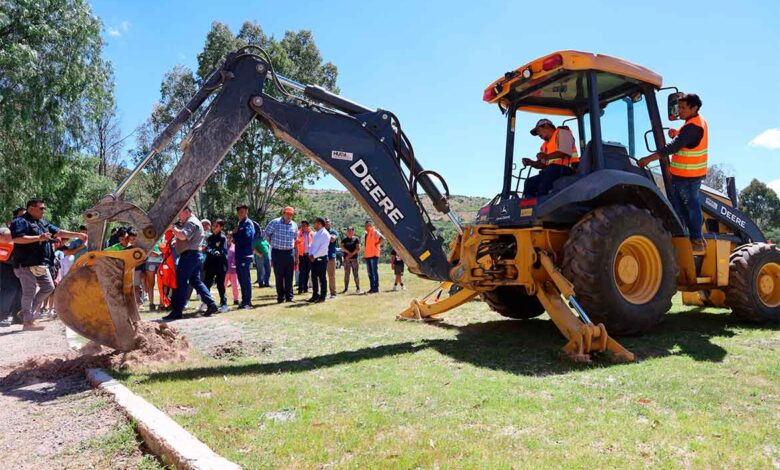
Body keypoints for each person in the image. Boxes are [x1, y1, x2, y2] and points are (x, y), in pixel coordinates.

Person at [639, 93, 708, 251]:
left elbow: (673, 147)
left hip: (689, 177)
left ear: (694, 108)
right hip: (681, 176)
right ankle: (683, 236)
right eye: (678, 107)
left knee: (691, 205)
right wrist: (676, 132)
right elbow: (686, 138)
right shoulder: (693, 122)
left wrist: (648, 159)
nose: (679, 111)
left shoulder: (693, 127)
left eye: (683, 108)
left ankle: (697, 238)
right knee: (679, 207)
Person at [10, 198, 87, 330]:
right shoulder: (20, 221)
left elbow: (58, 232)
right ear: (31, 208)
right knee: (29, 291)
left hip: (40, 264)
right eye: (41, 208)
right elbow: (17, 239)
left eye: (44, 208)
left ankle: (26, 312)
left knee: (49, 287)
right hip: (25, 264)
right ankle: (28, 322)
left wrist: (78, 235)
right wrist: (38, 238)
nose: (43, 211)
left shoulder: (42, 222)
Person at [162, 206, 218, 321]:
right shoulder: (192, 221)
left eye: (180, 214)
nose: (178, 217)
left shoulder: (191, 222)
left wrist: (173, 228)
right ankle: (211, 304)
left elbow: (183, 235)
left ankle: (177, 311)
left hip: (189, 256)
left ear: (186, 212)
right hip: (193, 255)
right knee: (195, 281)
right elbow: (185, 238)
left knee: (180, 282)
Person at [522, 119, 579, 197]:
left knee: (546, 179)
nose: (538, 134)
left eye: (538, 130)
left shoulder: (562, 132)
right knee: (529, 182)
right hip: (551, 171)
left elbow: (564, 152)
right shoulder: (544, 146)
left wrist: (546, 156)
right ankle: (529, 207)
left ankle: (541, 201)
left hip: (566, 170)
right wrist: (532, 163)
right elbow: (543, 165)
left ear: (546, 125)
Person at [265, 206, 298, 303]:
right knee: (279, 276)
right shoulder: (275, 222)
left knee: (289, 276)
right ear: (283, 213)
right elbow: (266, 234)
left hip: (289, 253)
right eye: (287, 213)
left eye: (291, 214)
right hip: (277, 252)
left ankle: (289, 297)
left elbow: (295, 238)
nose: (289, 216)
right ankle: (280, 297)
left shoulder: (294, 225)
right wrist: (270, 242)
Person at [232, 205, 256, 309]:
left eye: (243, 211)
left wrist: (236, 234)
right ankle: (244, 300)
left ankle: (247, 302)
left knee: (245, 278)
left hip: (245, 255)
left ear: (247, 212)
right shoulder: (241, 223)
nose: (241, 214)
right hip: (239, 254)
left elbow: (248, 237)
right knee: (241, 278)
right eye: (239, 212)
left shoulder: (247, 223)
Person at [204, 219, 229, 313]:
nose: (214, 227)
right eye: (213, 225)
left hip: (220, 264)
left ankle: (224, 303)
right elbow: (207, 248)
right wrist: (211, 250)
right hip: (210, 264)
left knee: (220, 285)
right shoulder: (210, 237)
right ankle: (206, 302)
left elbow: (223, 251)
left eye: (216, 226)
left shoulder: (223, 238)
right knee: (207, 284)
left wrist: (216, 251)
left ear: (221, 227)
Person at [0, 227, 20, 327]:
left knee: (17, 292)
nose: (12, 236)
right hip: (5, 269)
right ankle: (2, 317)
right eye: (9, 234)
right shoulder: (2, 245)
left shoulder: (13, 244)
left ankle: (17, 316)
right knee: (7, 292)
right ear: (2, 236)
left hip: (15, 270)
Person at [308, 217, 330, 303]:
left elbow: (323, 249)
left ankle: (322, 296)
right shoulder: (317, 233)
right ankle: (315, 295)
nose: (314, 224)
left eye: (315, 223)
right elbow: (313, 246)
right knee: (314, 278)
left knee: (322, 278)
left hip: (321, 258)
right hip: (314, 259)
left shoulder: (325, 234)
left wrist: (314, 256)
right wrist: (310, 254)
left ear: (320, 224)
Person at [363, 220, 384, 293]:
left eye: (368, 225)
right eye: (366, 225)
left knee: (374, 272)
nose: (366, 227)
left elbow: (382, 238)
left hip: (374, 255)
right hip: (368, 255)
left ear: (371, 225)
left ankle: (376, 288)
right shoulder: (366, 234)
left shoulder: (375, 231)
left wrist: (376, 244)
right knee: (370, 272)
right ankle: (372, 287)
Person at [143, 238, 164, 311]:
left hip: (161, 261)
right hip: (150, 261)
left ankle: (162, 304)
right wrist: (155, 253)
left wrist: (162, 252)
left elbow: (166, 247)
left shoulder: (163, 236)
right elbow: (145, 249)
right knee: (150, 284)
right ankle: (151, 304)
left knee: (161, 283)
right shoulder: (149, 235)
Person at [340, 226, 361, 294]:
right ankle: (346, 289)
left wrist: (351, 255)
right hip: (346, 260)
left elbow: (358, 248)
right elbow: (342, 247)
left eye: (350, 230)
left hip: (354, 259)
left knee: (356, 274)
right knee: (346, 274)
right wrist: (348, 253)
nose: (349, 232)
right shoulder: (344, 240)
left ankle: (358, 288)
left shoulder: (356, 239)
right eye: (348, 230)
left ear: (353, 231)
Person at [296, 221, 313, 295]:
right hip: (301, 255)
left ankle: (305, 288)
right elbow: (296, 244)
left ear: (308, 226)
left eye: (305, 225)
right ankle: (300, 288)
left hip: (309, 255)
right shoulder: (298, 233)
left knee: (307, 273)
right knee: (301, 272)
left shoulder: (312, 233)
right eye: (302, 225)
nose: (303, 227)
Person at [324, 218, 339, 299]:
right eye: (325, 222)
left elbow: (332, 240)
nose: (327, 224)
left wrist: (324, 238)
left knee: (331, 275)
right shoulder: (321, 231)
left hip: (331, 256)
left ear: (331, 223)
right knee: (322, 276)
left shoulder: (333, 232)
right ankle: (324, 292)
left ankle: (333, 293)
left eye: (328, 222)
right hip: (322, 256)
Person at [225, 233, 240, 305]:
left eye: (230, 237)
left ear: (232, 238)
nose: (228, 238)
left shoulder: (235, 247)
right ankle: (223, 299)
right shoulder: (223, 247)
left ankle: (236, 299)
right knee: (223, 286)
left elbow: (237, 258)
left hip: (233, 270)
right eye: (227, 237)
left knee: (235, 285)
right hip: (225, 270)